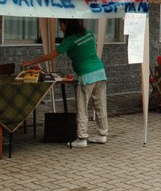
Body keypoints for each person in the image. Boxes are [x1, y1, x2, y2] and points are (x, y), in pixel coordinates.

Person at [22, 19, 109, 147]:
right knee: (100, 105)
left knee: (81, 106)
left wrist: (31, 62)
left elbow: (51, 55)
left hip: (86, 74)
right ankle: (103, 134)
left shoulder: (69, 40)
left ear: (67, 24)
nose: (60, 28)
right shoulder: (89, 33)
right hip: (100, 72)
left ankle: (82, 138)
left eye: (61, 25)